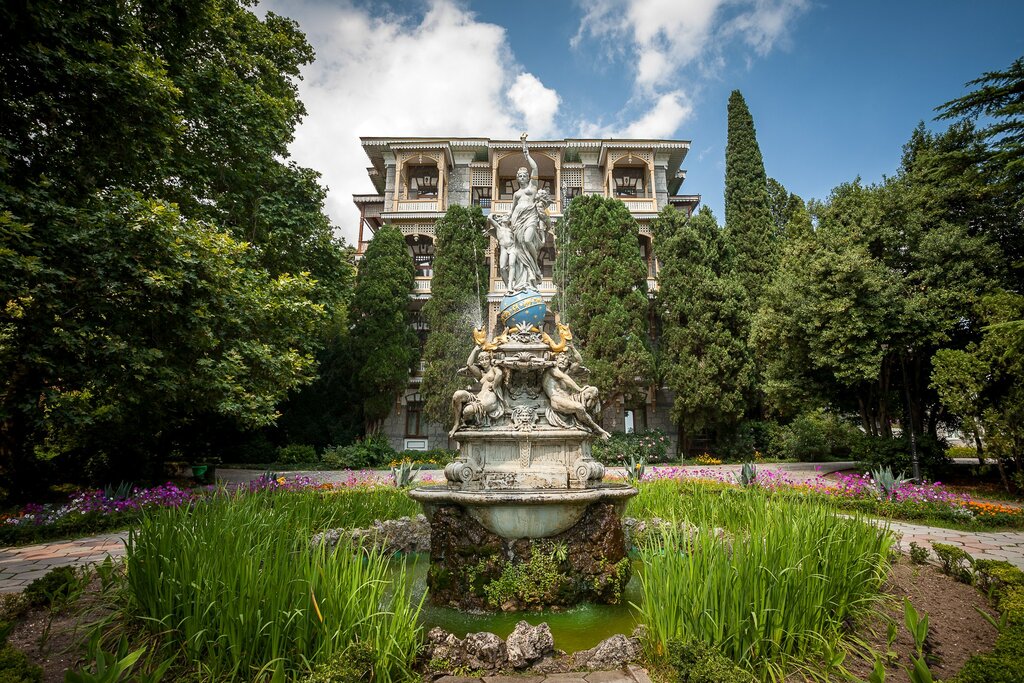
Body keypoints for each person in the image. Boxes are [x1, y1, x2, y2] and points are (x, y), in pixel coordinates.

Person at [542, 352, 610, 439]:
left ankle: (586, 415)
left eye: (566, 359)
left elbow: (578, 361)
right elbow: (564, 378)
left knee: (594, 390)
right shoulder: (552, 370)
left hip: (568, 398)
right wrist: (579, 389)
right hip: (556, 399)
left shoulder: (566, 372)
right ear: (556, 359)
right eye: (561, 358)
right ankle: (598, 429)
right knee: (579, 407)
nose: (563, 360)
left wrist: (572, 347)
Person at [450, 346, 507, 437]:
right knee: (457, 395)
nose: (484, 362)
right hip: (478, 397)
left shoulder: (494, 369)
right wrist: (475, 350)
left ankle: (466, 421)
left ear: (490, 359)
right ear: (479, 362)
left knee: (467, 411)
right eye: (481, 360)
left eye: (486, 359)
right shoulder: (481, 373)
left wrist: (494, 385)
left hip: (490, 399)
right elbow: (469, 364)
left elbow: (499, 374)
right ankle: (456, 424)